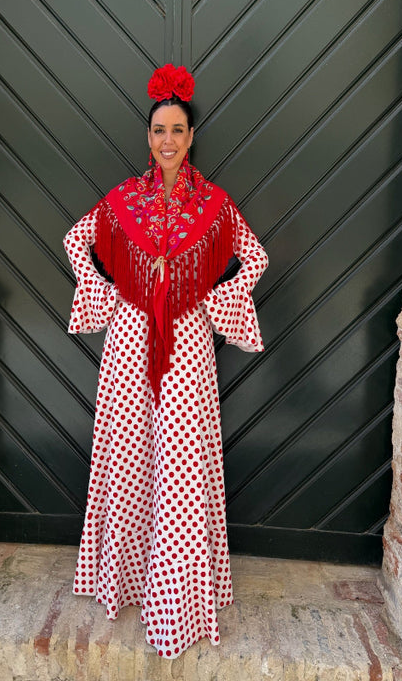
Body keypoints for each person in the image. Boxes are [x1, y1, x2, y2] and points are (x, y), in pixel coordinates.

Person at [63, 64, 268, 658]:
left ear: (192, 135)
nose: (168, 140)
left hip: (188, 351)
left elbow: (253, 258)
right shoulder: (124, 199)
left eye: (178, 129)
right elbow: (76, 241)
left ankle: (175, 607)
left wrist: (212, 300)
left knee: (180, 470)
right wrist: (109, 293)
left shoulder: (215, 205)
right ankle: (124, 583)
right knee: (128, 458)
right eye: (159, 130)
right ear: (147, 136)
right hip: (129, 346)